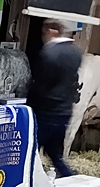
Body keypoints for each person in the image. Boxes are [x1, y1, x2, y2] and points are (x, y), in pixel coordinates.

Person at [28, 19, 82, 178]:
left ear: (51, 31)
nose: (43, 37)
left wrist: (29, 103)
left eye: (43, 33)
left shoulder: (49, 53)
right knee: (54, 152)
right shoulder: (75, 52)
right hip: (64, 110)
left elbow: (41, 84)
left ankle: (31, 178)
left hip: (46, 110)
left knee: (31, 148)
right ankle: (67, 175)